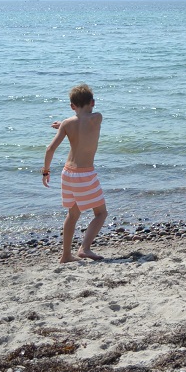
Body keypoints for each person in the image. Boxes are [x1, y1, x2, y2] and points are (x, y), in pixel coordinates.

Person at [42, 84, 108, 263]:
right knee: (101, 213)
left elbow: (50, 149)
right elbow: (85, 123)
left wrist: (45, 171)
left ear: (72, 106)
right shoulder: (97, 117)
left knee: (72, 215)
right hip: (85, 175)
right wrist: (65, 125)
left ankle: (65, 255)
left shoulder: (67, 123)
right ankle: (84, 248)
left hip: (67, 173)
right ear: (93, 102)